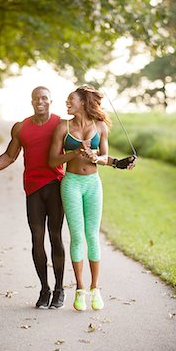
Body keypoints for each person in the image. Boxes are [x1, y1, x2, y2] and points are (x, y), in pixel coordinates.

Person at [0, 86, 136, 311]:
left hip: (56, 185)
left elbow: (97, 152)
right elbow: (9, 156)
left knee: (56, 236)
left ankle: (60, 290)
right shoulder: (26, 128)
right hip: (34, 188)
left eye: (45, 98)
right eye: (36, 98)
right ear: (31, 101)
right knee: (38, 237)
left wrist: (118, 162)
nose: (41, 102)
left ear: (50, 100)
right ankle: (45, 289)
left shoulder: (61, 123)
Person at [49, 85, 119, 311]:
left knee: (92, 235)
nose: (67, 103)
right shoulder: (63, 127)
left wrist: (95, 157)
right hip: (71, 183)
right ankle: (80, 289)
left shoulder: (100, 127)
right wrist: (76, 153)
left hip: (93, 185)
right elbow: (52, 161)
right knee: (77, 236)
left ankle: (95, 288)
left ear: (83, 102)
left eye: (71, 99)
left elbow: (105, 155)